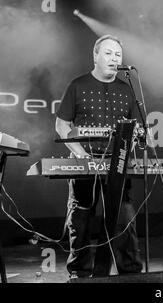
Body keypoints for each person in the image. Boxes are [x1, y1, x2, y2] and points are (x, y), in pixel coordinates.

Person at [55, 35, 143, 278]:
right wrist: (82, 155)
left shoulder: (127, 91)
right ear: (95, 55)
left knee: (124, 218)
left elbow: (136, 128)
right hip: (84, 160)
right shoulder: (77, 85)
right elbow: (62, 126)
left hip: (118, 162)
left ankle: (131, 272)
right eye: (108, 53)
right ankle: (79, 272)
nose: (114, 59)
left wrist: (134, 140)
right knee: (80, 218)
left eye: (118, 55)